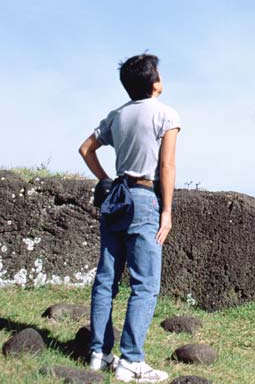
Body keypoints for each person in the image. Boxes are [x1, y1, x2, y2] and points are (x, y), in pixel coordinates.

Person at [78, 53, 181, 382]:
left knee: (106, 280)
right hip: (142, 198)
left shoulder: (116, 116)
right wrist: (166, 211)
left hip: (115, 197)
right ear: (155, 83)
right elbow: (166, 167)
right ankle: (131, 360)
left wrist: (105, 179)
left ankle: (99, 353)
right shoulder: (166, 115)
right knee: (145, 284)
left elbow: (85, 149)